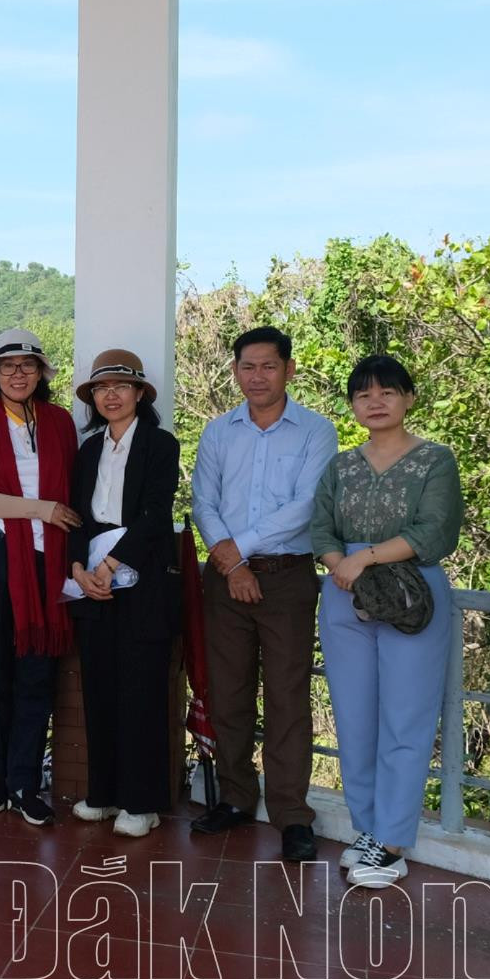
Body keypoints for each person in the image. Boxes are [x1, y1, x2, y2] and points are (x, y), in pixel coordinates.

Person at [308, 354, 463, 888]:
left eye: (387, 392)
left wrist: (365, 558)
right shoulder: (341, 465)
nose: (374, 402)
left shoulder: (435, 460)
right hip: (344, 593)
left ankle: (393, 842)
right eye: (362, 395)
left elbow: (436, 531)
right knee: (353, 717)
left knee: (406, 717)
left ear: (408, 398)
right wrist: (341, 565)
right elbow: (321, 529)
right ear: (352, 405)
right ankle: (368, 830)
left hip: (412, 594)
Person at [190, 326, 338, 862]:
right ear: (235, 372)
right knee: (227, 693)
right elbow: (202, 501)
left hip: (286, 578)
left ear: (289, 370)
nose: (257, 376)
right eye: (247, 367)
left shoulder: (317, 433)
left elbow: (304, 506)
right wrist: (230, 562)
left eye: (268, 366)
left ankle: (291, 813)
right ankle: (234, 797)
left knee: (287, 697)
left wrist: (236, 554)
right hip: (225, 580)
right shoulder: (218, 432)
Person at [0, 329, 78, 827]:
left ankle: (26, 779)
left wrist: (53, 523)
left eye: (27, 365)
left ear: (40, 373)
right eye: (8, 367)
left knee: (38, 672)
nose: (18, 373)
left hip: (51, 561)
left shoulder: (61, 424)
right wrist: (41, 509)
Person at [63, 349, 183, 838]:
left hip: (141, 579)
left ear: (139, 394)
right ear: (93, 398)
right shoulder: (88, 450)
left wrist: (114, 563)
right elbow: (76, 514)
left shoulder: (160, 444)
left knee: (141, 690)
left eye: (121, 386)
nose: (111, 395)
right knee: (100, 687)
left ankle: (142, 802)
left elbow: (157, 513)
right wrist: (79, 566)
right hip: (93, 581)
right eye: (101, 388)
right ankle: (104, 794)